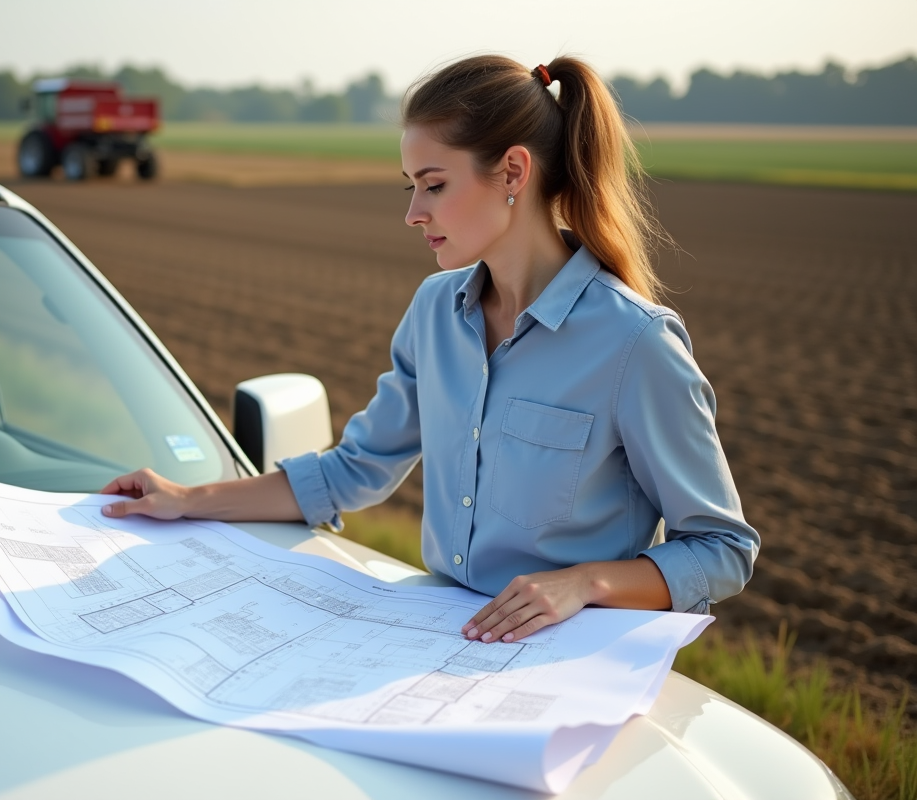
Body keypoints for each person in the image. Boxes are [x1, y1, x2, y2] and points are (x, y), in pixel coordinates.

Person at [99, 54, 759, 645]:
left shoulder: (633, 342)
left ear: (513, 172)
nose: (414, 212)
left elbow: (722, 549)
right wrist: (186, 498)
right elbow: (350, 472)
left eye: (434, 184)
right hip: (439, 642)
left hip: (565, 666)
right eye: (409, 185)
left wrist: (583, 583)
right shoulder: (434, 312)